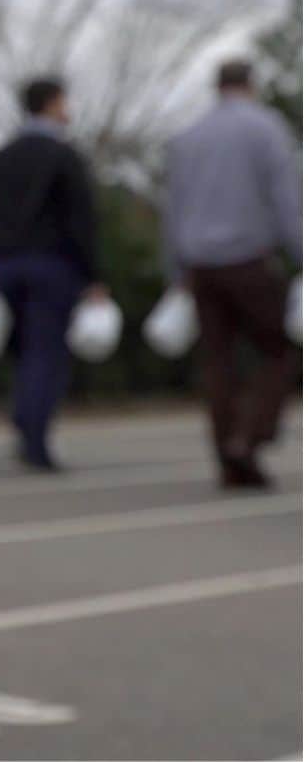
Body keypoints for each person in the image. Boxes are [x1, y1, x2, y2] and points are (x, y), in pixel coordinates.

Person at [163, 59, 301, 489]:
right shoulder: (266, 129)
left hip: (200, 266)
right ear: (251, 85)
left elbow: (173, 209)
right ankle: (249, 437)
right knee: (278, 351)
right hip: (249, 259)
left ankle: (229, 459)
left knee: (217, 362)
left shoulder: (188, 137)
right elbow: (287, 198)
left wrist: (176, 270)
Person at [0, 77, 103, 472]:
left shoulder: (1, 157)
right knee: (45, 354)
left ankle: (24, 423)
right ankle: (34, 440)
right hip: (52, 266)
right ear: (51, 103)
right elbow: (82, 219)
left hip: (5, 266)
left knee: (23, 352)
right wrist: (94, 274)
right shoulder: (63, 155)